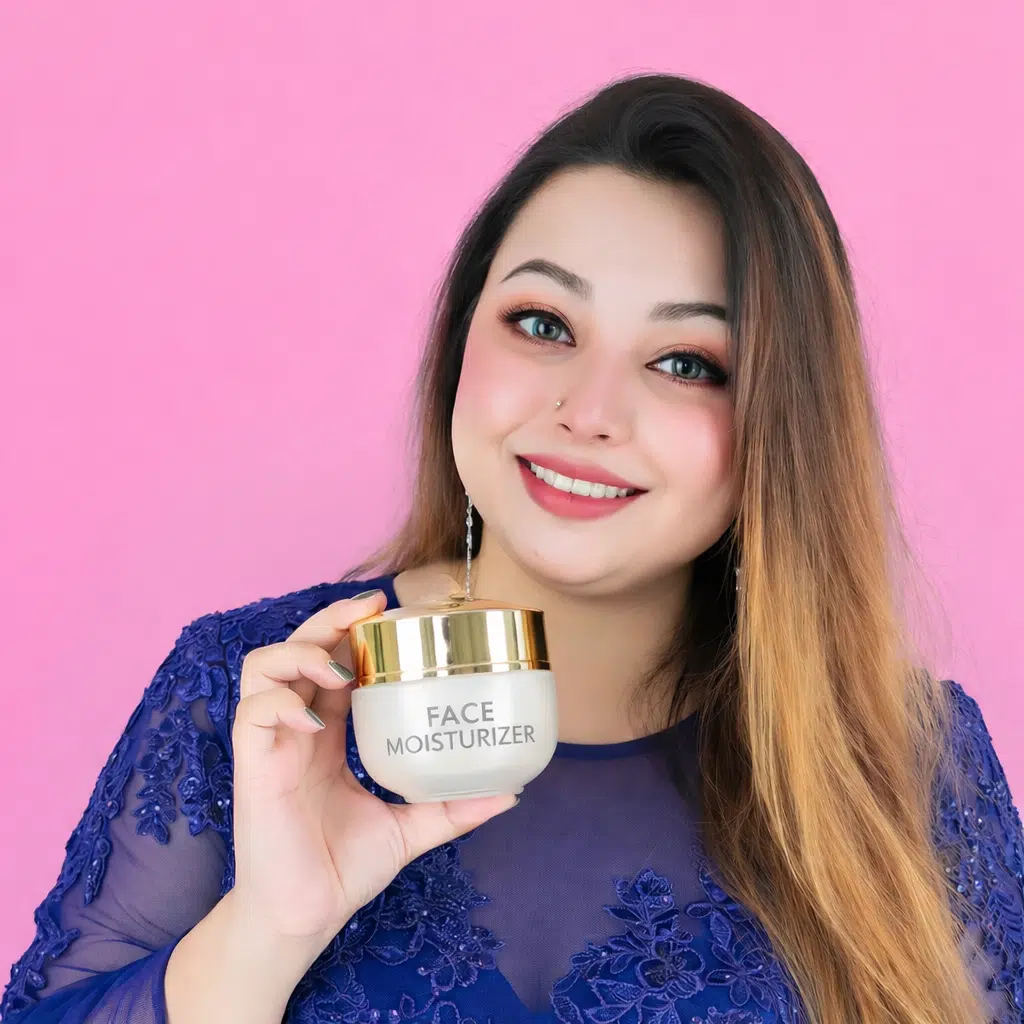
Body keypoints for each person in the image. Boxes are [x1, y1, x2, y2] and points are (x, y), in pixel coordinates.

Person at [2, 72, 1021, 1024]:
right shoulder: (252, 699)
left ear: (782, 428)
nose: (588, 410)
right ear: (460, 342)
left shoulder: (905, 764)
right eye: (542, 323)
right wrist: (269, 929)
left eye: (685, 361)